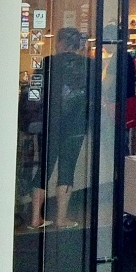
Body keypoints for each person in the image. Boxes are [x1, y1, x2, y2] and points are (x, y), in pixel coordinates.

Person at [30, 27, 89, 230]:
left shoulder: (47, 62)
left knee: (43, 168)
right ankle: (61, 219)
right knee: (67, 169)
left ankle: (35, 218)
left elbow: (34, 92)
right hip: (76, 125)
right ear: (77, 44)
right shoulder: (88, 65)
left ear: (60, 43)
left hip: (49, 123)